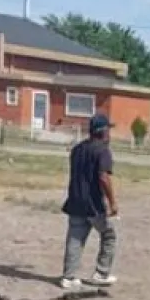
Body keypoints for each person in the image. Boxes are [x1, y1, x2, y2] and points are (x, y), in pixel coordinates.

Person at [59, 113, 119, 288]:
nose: (110, 134)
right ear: (103, 131)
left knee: (75, 239)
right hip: (93, 204)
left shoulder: (77, 149)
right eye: (108, 129)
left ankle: (68, 277)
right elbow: (103, 177)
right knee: (108, 235)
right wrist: (113, 202)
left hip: (75, 200)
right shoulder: (102, 151)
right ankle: (101, 273)